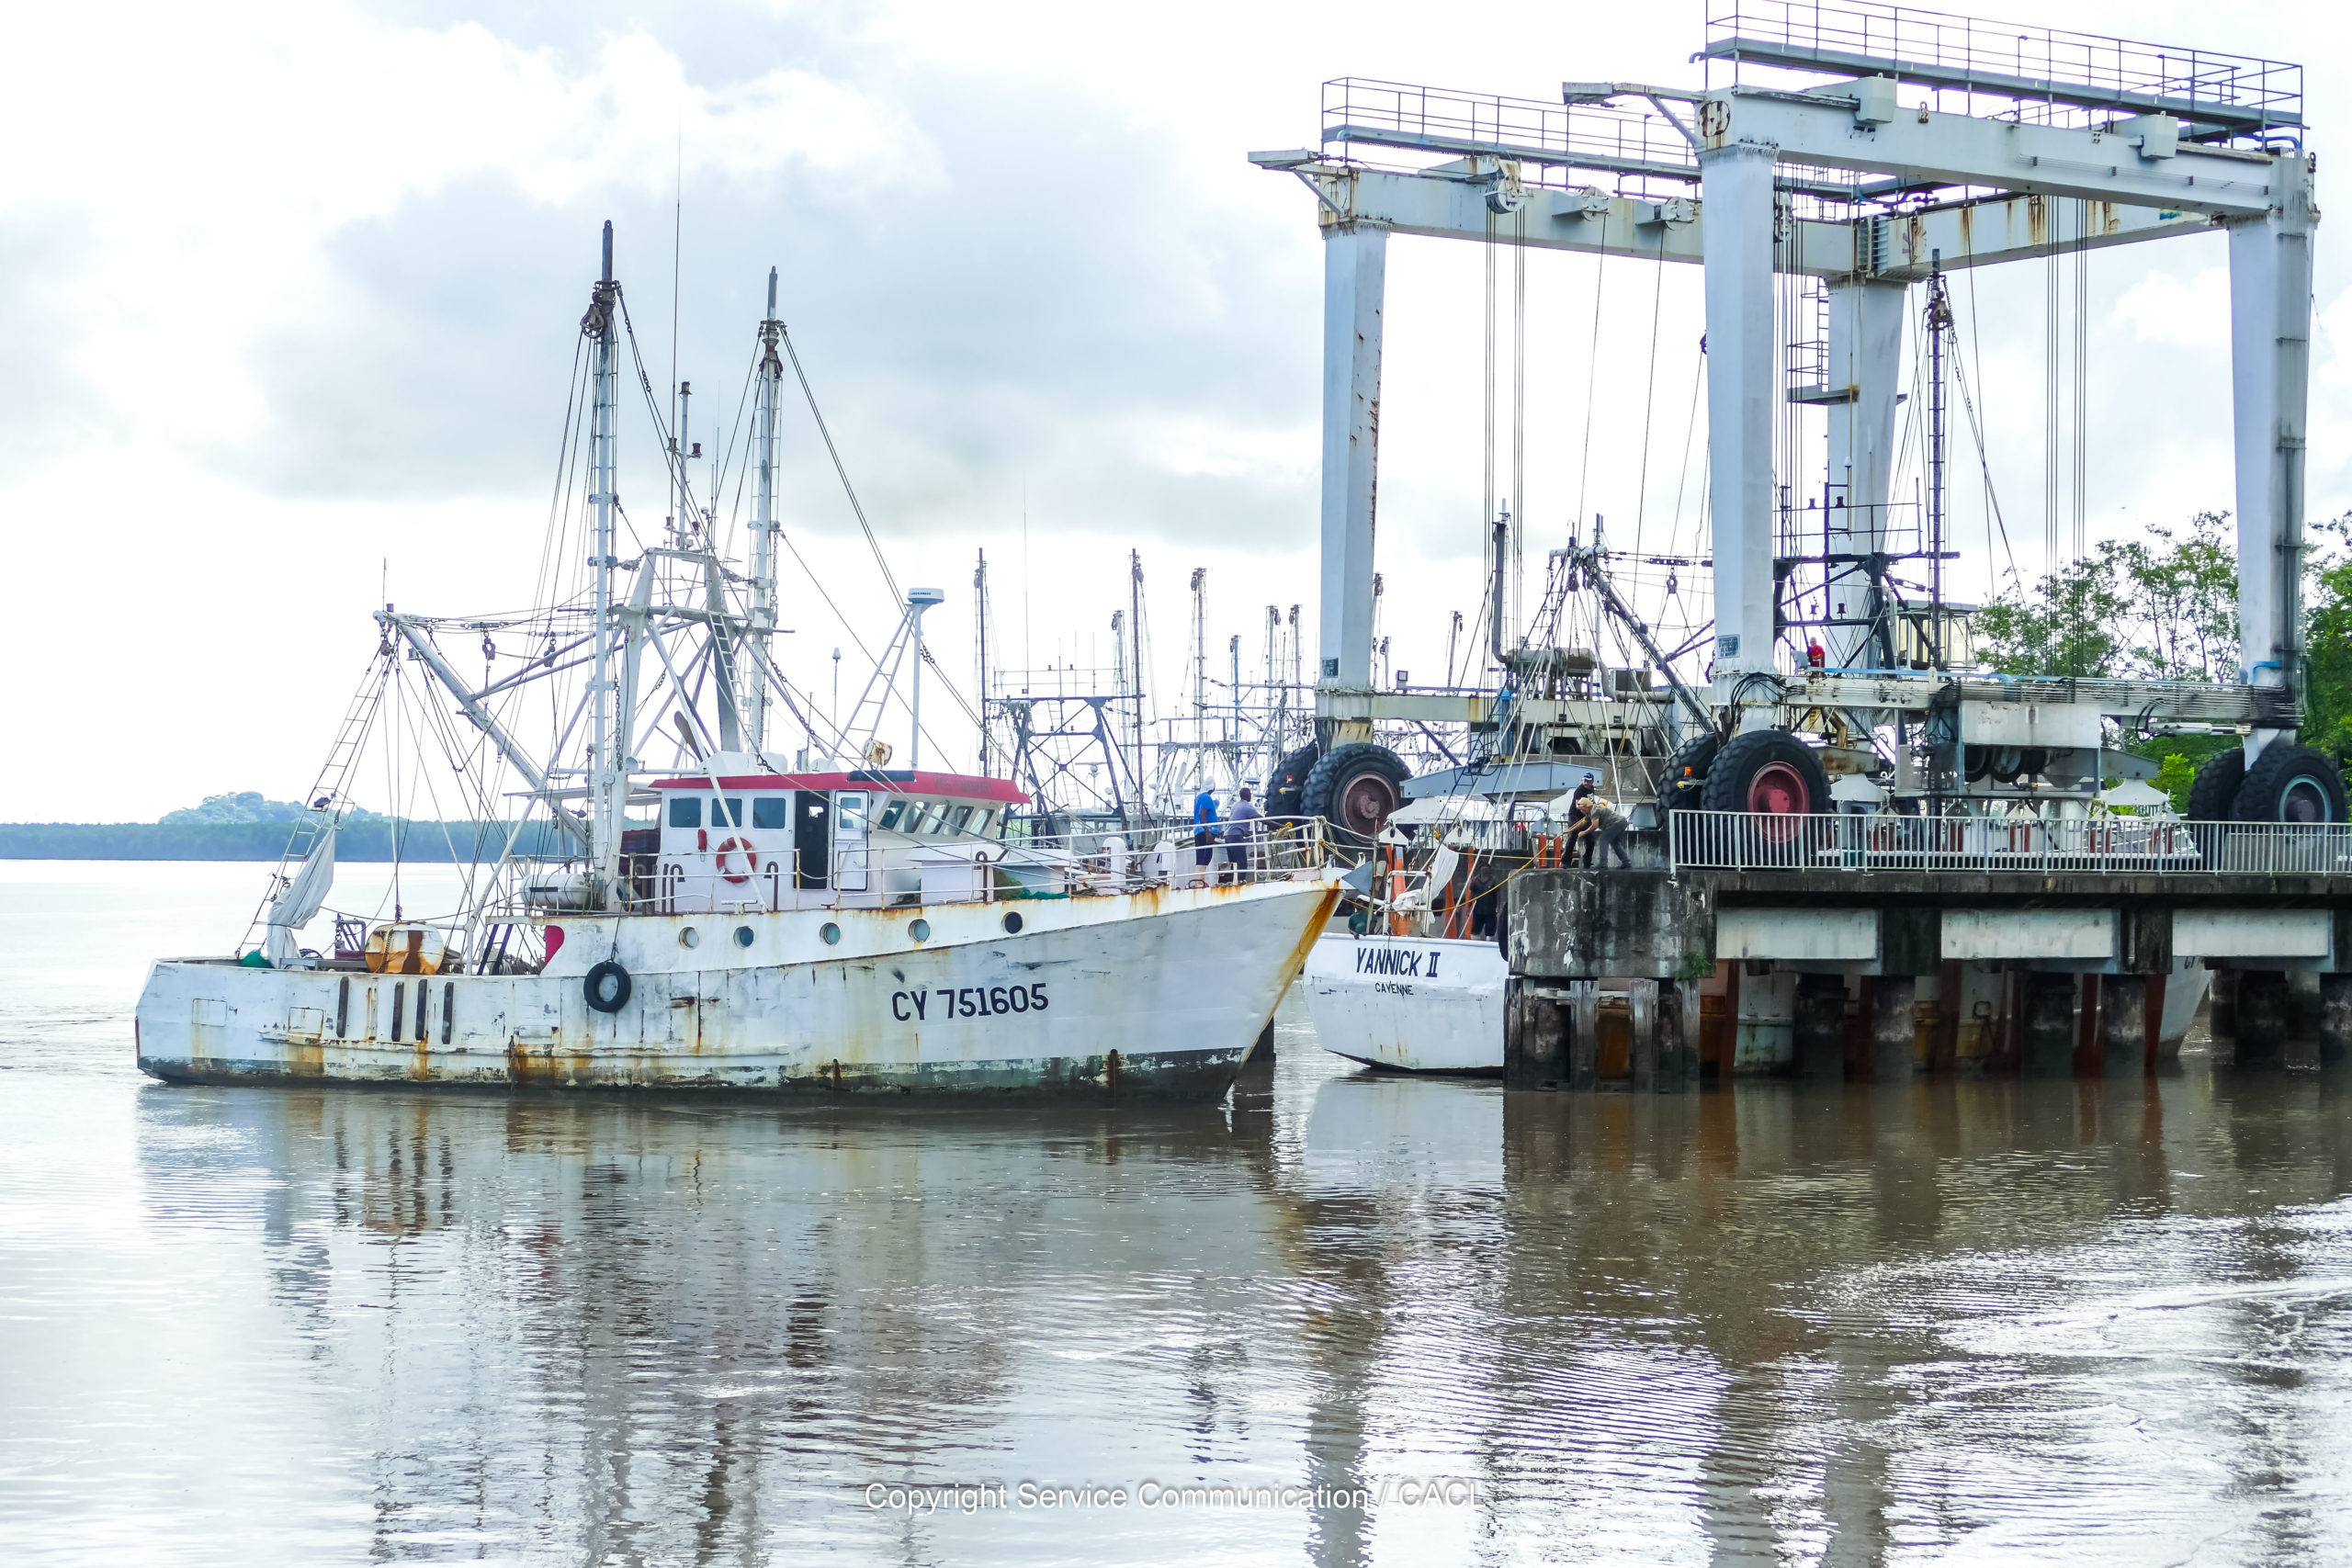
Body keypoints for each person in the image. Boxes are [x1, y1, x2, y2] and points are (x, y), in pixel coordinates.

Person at [1568, 794, 1632, 869]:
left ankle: (1603, 863)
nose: (1582, 811)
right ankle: (1626, 862)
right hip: (1622, 822)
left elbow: (1595, 826)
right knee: (1615, 843)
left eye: (1582, 809)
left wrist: (1584, 832)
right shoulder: (1589, 813)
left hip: (1616, 823)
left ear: (1587, 806)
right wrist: (1570, 830)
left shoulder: (1594, 810)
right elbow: (1583, 822)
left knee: (1603, 839)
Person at [1564, 772, 1600, 866]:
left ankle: (1587, 861)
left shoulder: (1591, 789)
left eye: (1588, 781)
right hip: (1575, 815)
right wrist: (1588, 813)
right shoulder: (1579, 790)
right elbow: (1577, 806)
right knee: (1573, 836)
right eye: (1585, 781)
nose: (1586, 783)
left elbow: (1591, 802)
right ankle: (1565, 861)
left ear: (1592, 781)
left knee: (1590, 839)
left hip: (1585, 816)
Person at [1227, 786, 1263, 877]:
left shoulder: (1236, 805)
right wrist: (1279, 825)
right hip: (1235, 836)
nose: (1250, 795)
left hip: (1227, 835)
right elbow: (1262, 819)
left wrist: (1244, 831)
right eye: (1250, 794)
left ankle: (1233, 882)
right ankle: (1240, 883)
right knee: (1241, 863)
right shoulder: (1247, 807)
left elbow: (1235, 820)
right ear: (1247, 795)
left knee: (1233, 863)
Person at [1192, 784, 1221, 886]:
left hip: (1199, 830)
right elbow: (1202, 813)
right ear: (1212, 787)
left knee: (1201, 856)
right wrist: (1207, 832)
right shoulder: (1206, 797)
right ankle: (1199, 881)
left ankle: (1198, 881)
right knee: (1206, 856)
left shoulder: (1199, 798)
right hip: (1206, 831)